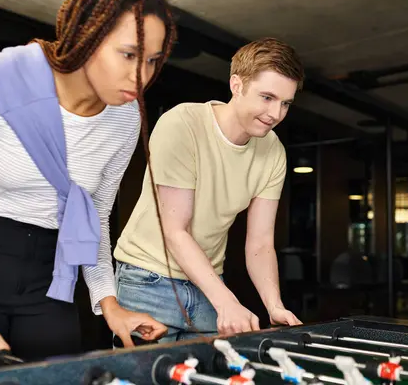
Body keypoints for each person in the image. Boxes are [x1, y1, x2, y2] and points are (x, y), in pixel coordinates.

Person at [0, 0, 176, 369]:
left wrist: (110, 305)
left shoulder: (124, 118)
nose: (142, 76)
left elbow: (95, 218)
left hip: (50, 273)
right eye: (129, 54)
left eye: (152, 60)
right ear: (84, 36)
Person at [113, 37, 304, 342]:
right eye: (267, 97)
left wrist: (273, 304)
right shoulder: (183, 124)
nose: (276, 114)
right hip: (145, 279)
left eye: (285, 103)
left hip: (208, 283)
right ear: (237, 85)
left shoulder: (273, 151)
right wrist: (227, 301)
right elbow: (175, 230)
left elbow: (260, 241)